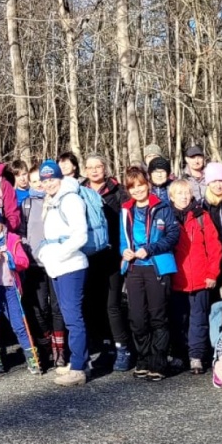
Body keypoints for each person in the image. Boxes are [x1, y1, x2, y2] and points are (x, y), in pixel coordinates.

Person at [118, 166, 180, 381]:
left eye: (140, 185)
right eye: (132, 187)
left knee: (157, 317)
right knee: (137, 318)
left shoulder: (162, 207)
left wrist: (150, 248)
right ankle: (143, 358)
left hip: (157, 266)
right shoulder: (126, 210)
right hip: (134, 268)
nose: (137, 190)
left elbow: (172, 236)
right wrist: (124, 251)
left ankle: (159, 362)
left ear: (148, 185)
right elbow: (122, 240)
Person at [36, 160, 90, 386]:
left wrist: (57, 254)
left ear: (60, 178)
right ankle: (78, 361)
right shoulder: (51, 200)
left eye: (52, 179)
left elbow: (80, 236)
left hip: (71, 265)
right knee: (68, 317)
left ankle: (78, 369)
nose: (48, 184)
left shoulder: (71, 199)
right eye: (44, 180)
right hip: (57, 266)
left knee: (72, 317)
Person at [168, 179, 222, 375]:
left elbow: (214, 247)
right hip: (176, 279)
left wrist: (212, 273)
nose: (183, 197)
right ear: (171, 196)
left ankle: (196, 356)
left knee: (198, 319)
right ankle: (179, 354)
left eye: (186, 193)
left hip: (200, 278)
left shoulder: (201, 216)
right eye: (179, 193)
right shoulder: (166, 217)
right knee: (178, 319)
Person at [80, 153, 126, 365]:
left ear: (105, 168)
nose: (95, 170)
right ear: (85, 170)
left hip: (113, 254)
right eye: (90, 167)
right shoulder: (79, 191)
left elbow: (127, 223)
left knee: (112, 304)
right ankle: (97, 345)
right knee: (89, 302)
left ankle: (121, 347)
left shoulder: (118, 192)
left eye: (98, 166)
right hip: (88, 255)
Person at [0, 206, 38, 375]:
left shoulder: (12, 239)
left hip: (10, 286)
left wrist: (10, 258)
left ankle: (31, 356)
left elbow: (24, 262)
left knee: (18, 323)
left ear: (1, 223)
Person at [20, 166, 61, 367]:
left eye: (42, 180)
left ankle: (60, 348)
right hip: (35, 263)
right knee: (39, 308)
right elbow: (21, 233)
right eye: (34, 181)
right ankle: (44, 344)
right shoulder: (26, 204)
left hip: (56, 261)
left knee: (57, 307)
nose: (39, 185)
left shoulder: (56, 200)